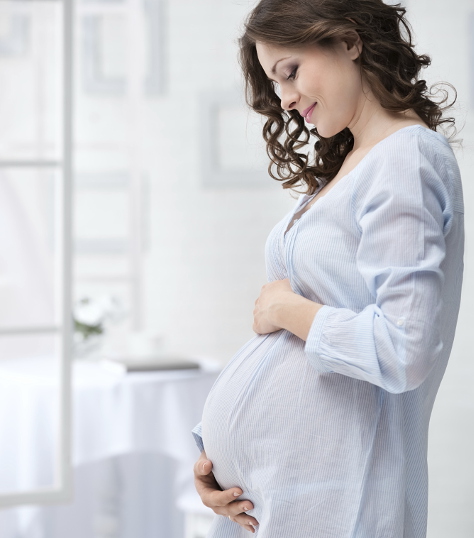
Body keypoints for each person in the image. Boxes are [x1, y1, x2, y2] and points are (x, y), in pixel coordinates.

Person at [191, 1, 465, 536]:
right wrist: (217, 457)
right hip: (277, 491)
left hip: (342, 493)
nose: (285, 98)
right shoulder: (350, 166)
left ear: (347, 40)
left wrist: (286, 308)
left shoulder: (404, 158)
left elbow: (405, 347)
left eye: (290, 72)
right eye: (274, 83)